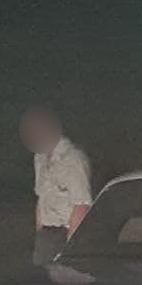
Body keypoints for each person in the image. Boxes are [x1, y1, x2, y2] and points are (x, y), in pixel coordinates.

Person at [19, 105, 93, 266]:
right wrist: (40, 233)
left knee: (66, 282)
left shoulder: (73, 158)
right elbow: (41, 198)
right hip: (47, 234)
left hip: (65, 233)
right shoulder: (40, 157)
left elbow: (82, 205)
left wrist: (71, 246)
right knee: (42, 283)